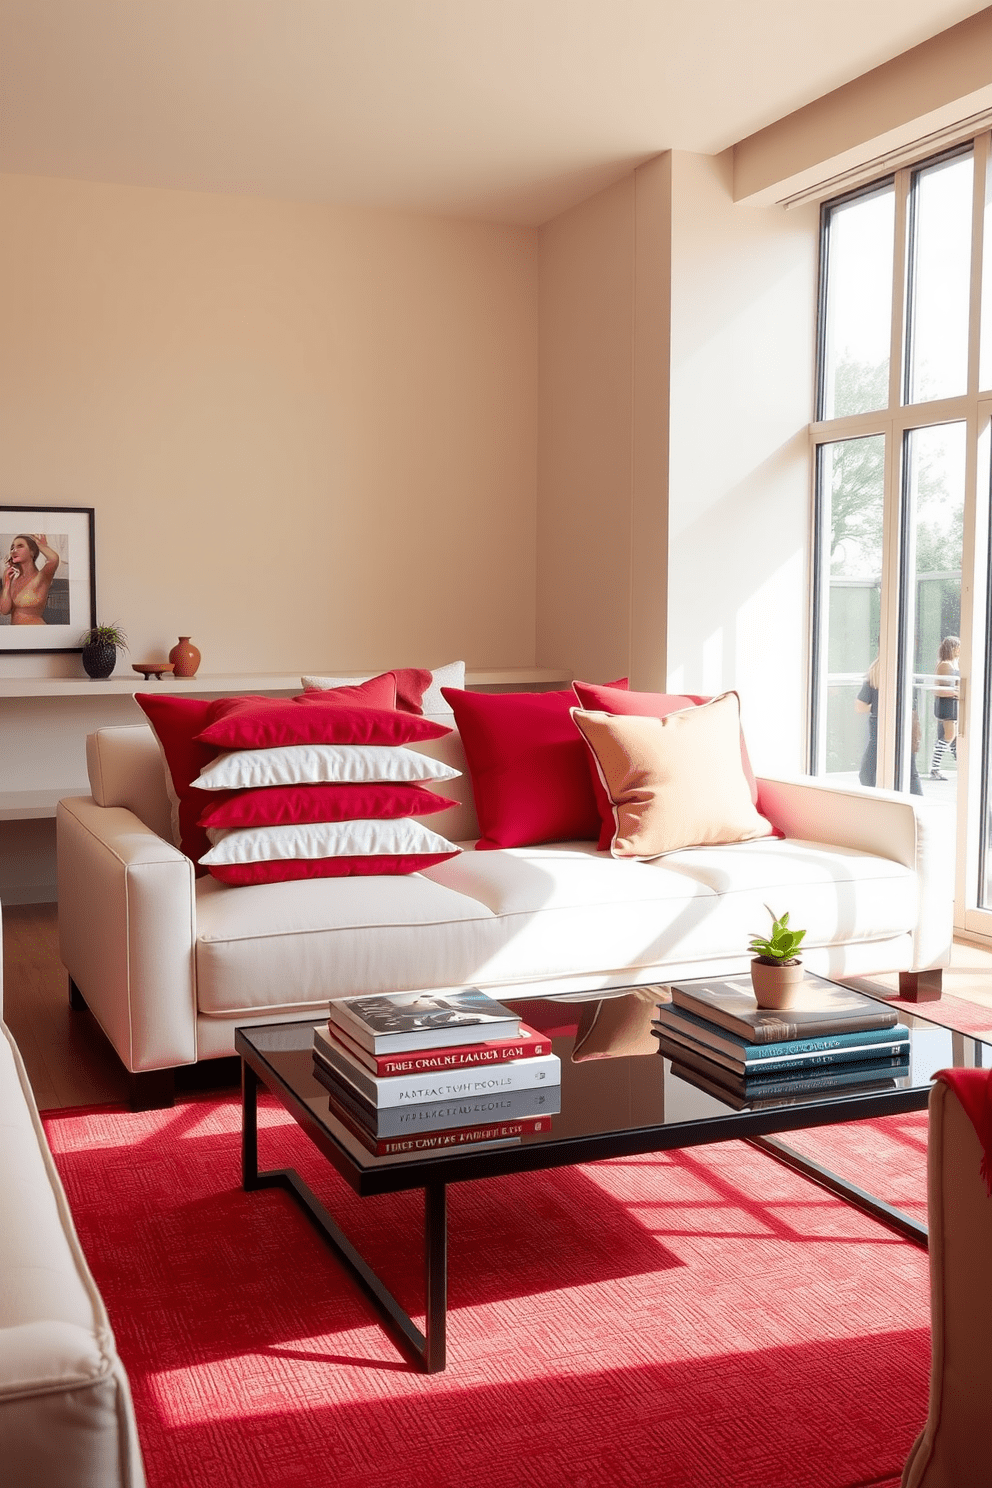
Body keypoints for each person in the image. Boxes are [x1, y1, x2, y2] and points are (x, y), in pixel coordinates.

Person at [856, 656, 923, 795]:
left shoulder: (875, 674)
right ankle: (918, 804)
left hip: (880, 724)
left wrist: (878, 707)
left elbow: (860, 707)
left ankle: (876, 802)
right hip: (906, 722)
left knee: (867, 772)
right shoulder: (905, 671)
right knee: (909, 770)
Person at [0, 533, 60, 625]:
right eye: (12, 547)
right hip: (15, 634)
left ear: (32, 552)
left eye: (20, 546)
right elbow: (4, 611)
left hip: (37, 633)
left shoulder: (41, 577)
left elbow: (54, 559)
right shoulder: (10, 577)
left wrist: (42, 546)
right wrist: (7, 583)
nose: (14, 550)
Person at [929, 635, 961, 781]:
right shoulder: (945, 665)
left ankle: (961, 766)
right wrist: (956, 692)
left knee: (954, 738)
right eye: (958, 647)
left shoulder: (952, 664)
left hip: (951, 703)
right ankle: (934, 769)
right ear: (952, 648)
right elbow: (938, 689)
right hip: (947, 704)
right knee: (949, 736)